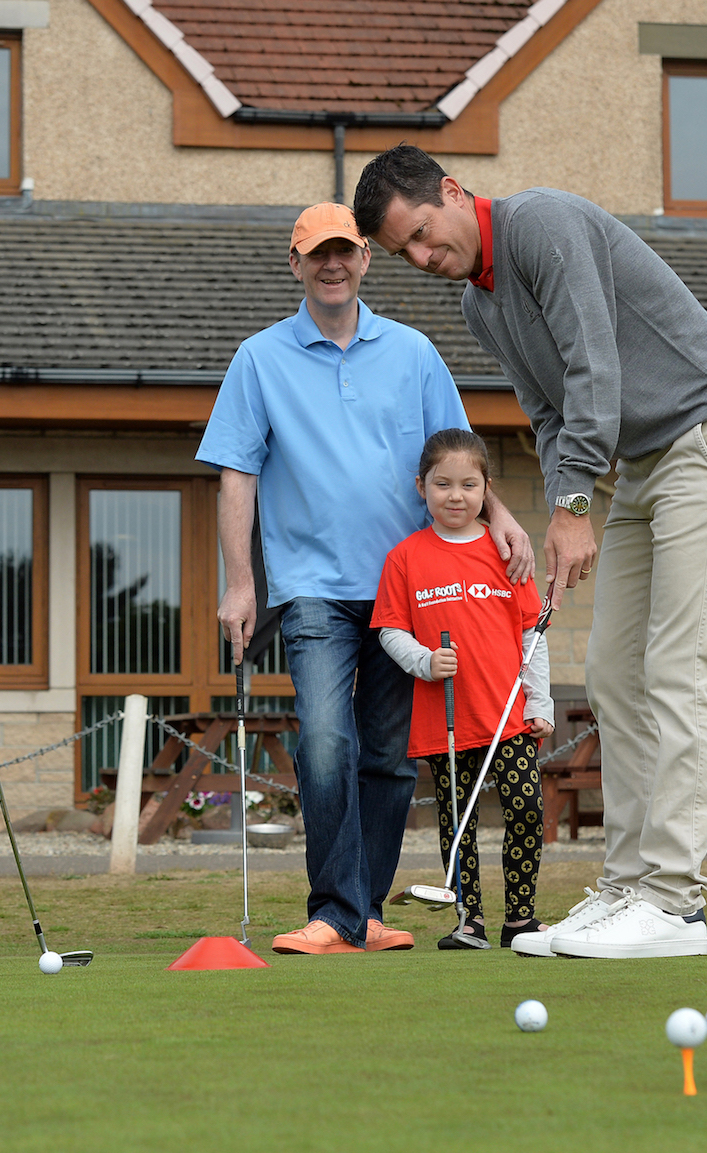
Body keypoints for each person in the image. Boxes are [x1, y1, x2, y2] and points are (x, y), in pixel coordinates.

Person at [354, 146, 707, 960]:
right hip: (647, 466)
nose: (422, 258)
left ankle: (675, 902)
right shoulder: (483, 307)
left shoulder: (541, 224)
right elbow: (550, 417)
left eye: (421, 234)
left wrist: (578, 503)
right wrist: (564, 512)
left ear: (451, 192)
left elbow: (597, 368)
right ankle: (626, 888)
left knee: (677, 663)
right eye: (405, 253)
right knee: (617, 673)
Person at [196, 203, 534, 955]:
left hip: (407, 586)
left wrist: (502, 515)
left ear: (364, 260)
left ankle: (366, 912)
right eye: (317, 254)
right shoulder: (259, 358)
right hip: (311, 585)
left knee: (386, 755)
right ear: (295, 264)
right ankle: (335, 908)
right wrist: (240, 581)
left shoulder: (412, 352)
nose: (333, 264)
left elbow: (459, 456)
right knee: (324, 741)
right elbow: (236, 475)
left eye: (345, 251)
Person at [372, 428, 554, 949]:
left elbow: (531, 635)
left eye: (469, 485)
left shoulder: (507, 553)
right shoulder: (405, 558)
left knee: (525, 806)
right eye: (443, 484)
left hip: (507, 715)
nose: (456, 496)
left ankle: (519, 918)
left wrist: (539, 703)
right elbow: (389, 630)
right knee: (458, 822)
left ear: (486, 489)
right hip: (446, 717)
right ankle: (467, 920)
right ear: (421, 487)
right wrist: (426, 662)